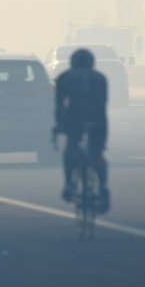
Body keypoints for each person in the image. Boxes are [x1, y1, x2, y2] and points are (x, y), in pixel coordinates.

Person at [53, 48, 110, 213]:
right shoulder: (100, 77)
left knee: (71, 146)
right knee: (97, 153)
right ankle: (104, 187)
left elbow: (60, 106)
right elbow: (103, 103)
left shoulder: (64, 77)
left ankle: (69, 185)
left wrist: (59, 126)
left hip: (74, 116)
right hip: (98, 118)